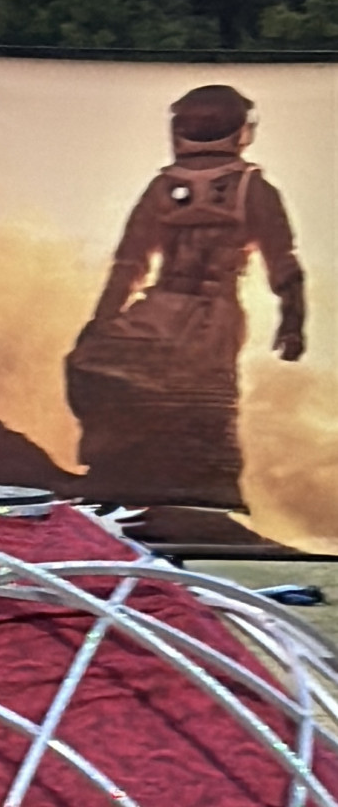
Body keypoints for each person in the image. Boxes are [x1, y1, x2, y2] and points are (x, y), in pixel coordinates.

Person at [65, 83, 305, 509]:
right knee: (107, 368)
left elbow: (129, 264)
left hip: (196, 312)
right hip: (198, 311)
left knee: (193, 396)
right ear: (242, 131)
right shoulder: (247, 188)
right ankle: (131, 477)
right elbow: (282, 260)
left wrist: (104, 320)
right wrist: (292, 319)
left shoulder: (178, 188)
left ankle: (201, 491)